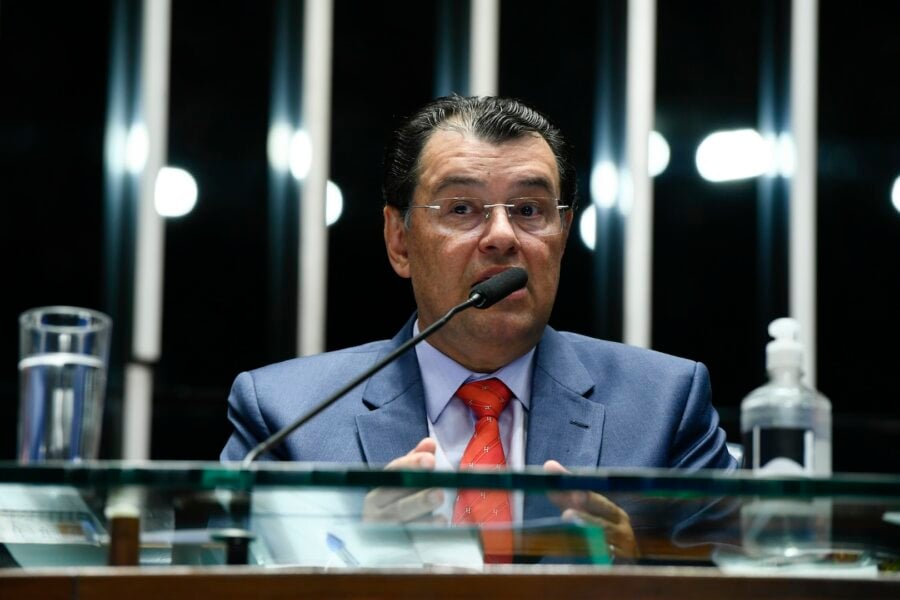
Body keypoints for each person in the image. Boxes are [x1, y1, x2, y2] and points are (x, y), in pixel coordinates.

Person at [221, 95, 736, 559]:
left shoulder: (664, 404)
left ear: (562, 235)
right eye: (462, 208)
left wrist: (632, 572)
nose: (501, 237)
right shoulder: (286, 416)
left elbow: (743, 578)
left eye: (529, 209)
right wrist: (356, 563)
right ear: (399, 240)